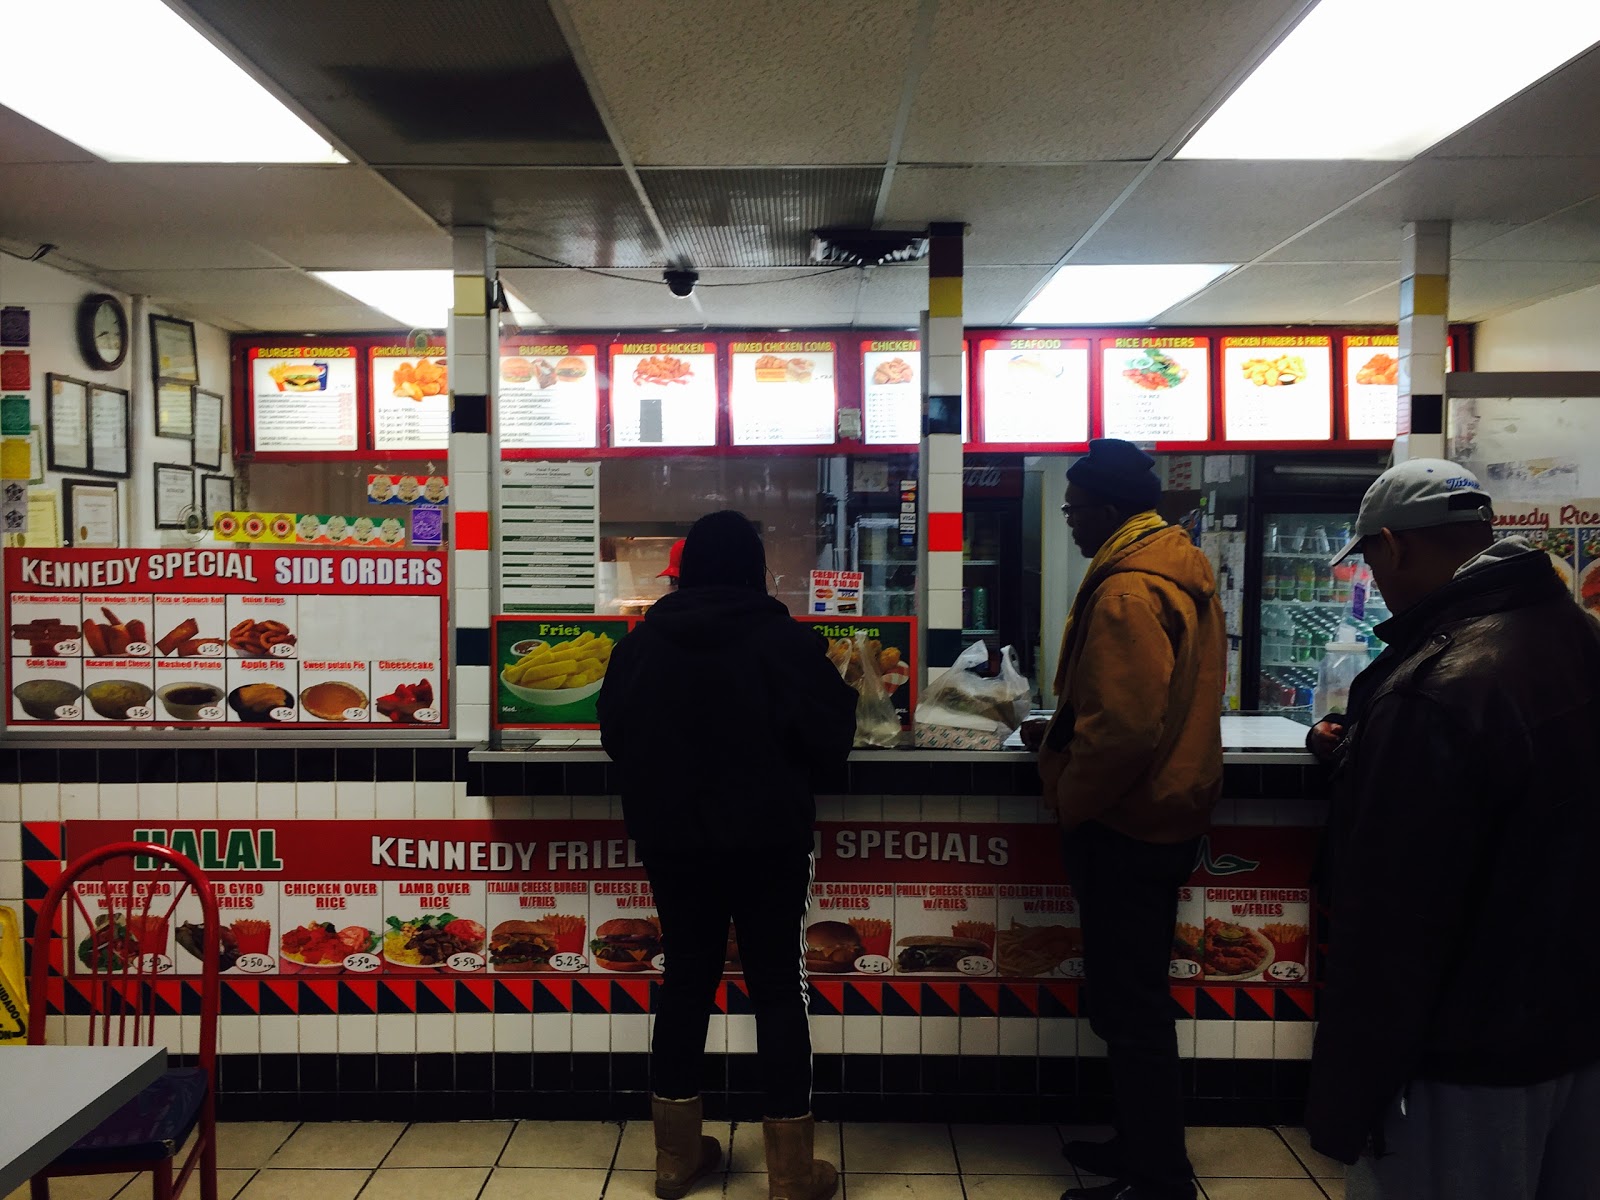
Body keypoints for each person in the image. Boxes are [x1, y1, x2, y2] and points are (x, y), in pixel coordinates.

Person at [1304, 459, 1600, 1199]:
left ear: (1395, 545)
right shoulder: (1578, 637)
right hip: (1575, 1028)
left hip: (1461, 1049)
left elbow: (1394, 917)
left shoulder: (1439, 687)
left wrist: (1349, 1092)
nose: (1374, 573)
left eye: (1371, 555)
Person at [597, 510, 857, 1200]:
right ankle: (792, 1174)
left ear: (686, 572)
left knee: (686, 978)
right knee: (778, 988)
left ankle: (677, 1159)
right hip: (769, 841)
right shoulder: (784, 642)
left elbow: (616, 738)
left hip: (672, 841)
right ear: (754, 569)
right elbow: (833, 741)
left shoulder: (642, 645)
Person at [1023, 439, 1225, 1200]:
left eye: (1074, 511)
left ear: (1105, 509)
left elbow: (1129, 729)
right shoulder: (1177, 570)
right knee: (1130, 999)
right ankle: (1138, 1145)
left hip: (1128, 823)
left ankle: (1158, 1176)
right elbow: (1140, 706)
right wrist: (1064, 728)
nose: (1071, 524)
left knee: (1131, 1008)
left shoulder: (1125, 591)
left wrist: (1071, 798)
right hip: (1169, 807)